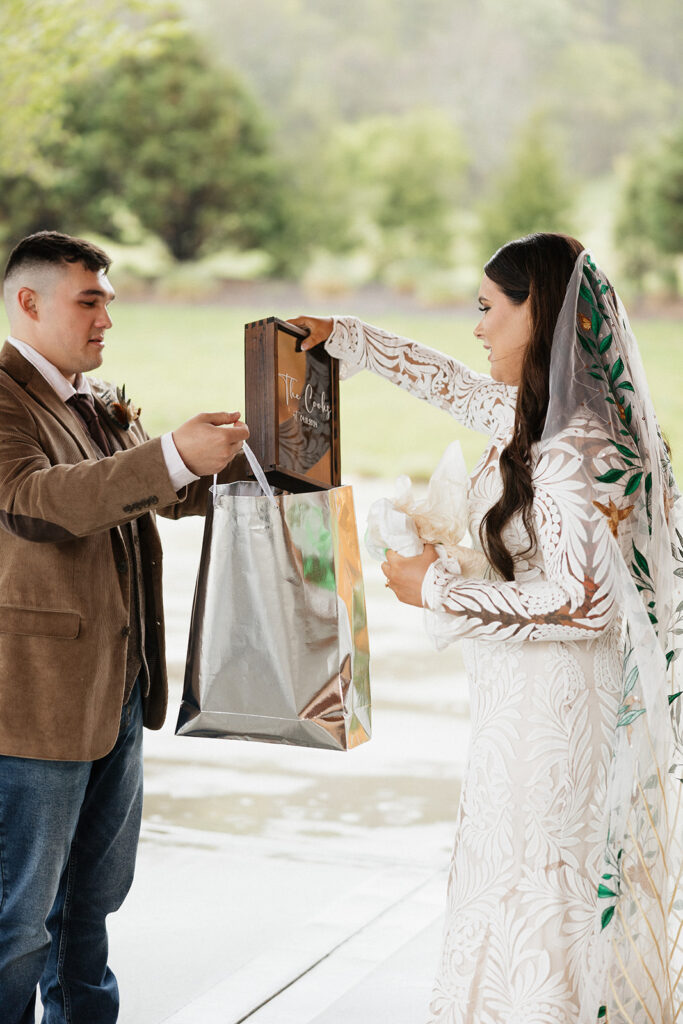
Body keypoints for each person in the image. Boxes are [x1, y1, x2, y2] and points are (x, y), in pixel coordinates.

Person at [290, 232, 683, 1022]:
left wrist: (437, 587)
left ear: (535, 313)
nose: (476, 327)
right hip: (520, 702)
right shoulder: (541, 419)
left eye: (486, 309)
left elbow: (584, 603)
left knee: (545, 876)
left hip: (558, 712)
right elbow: (453, 386)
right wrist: (350, 339)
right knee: (508, 871)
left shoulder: (573, 451)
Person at [0, 231, 250, 1024]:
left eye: (108, 298)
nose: (108, 315)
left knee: (90, 914)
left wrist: (271, 460)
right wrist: (174, 452)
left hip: (116, 695)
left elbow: (161, 491)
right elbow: (44, 502)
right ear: (28, 303)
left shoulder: (87, 397)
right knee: (15, 927)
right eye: (89, 299)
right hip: (31, 708)